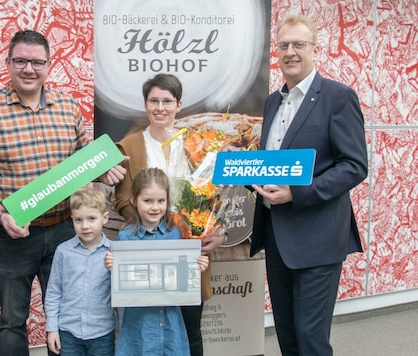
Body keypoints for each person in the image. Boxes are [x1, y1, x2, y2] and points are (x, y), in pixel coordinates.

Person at [0, 30, 124, 356]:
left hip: (65, 230)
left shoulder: (68, 107)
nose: (28, 69)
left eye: (36, 62)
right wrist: (0, 213)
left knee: (66, 315)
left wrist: (103, 170)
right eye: (20, 61)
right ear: (8, 63)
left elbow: (81, 164)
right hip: (13, 234)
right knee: (12, 319)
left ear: (48, 65)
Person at [249, 14, 368, 355]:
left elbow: (354, 166)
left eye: (299, 44)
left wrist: (296, 193)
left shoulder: (338, 97)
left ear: (315, 49)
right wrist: (248, 175)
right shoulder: (273, 102)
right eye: (284, 45)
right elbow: (273, 164)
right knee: (288, 336)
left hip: (318, 238)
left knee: (311, 339)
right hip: (276, 237)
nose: (290, 52)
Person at [114, 73, 225, 355]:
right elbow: (123, 199)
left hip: (189, 250)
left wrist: (213, 230)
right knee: (147, 331)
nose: (160, 107)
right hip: (146, 249)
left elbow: (214, 197)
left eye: (167, 101)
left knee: (190, 331)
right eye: (154, 101)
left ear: (179, 104)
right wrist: (152, 224)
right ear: (145, 104)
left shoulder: (198, 145)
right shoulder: (128, 146)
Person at [104, 168, 210, 356]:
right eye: (148, 201)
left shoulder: (175, 233)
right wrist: (112, 267)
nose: (155, 207)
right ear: (133, 200)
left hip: (170, 320)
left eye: (161, 201)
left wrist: (196, 267)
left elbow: (182, 277)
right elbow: (119, 284)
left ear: (168, 201)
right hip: (139, 323)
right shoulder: (125, 237)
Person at [44, 186, 115, 356]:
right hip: (68, 332)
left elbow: (121, 292)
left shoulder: (113, 252)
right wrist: (52, 329)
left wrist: (114, 270)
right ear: (72, 220)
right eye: (78, 220)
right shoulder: (63, 251)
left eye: (91, 219)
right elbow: (54, 292)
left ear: (104, 218)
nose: (85, 226)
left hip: (102, 332)